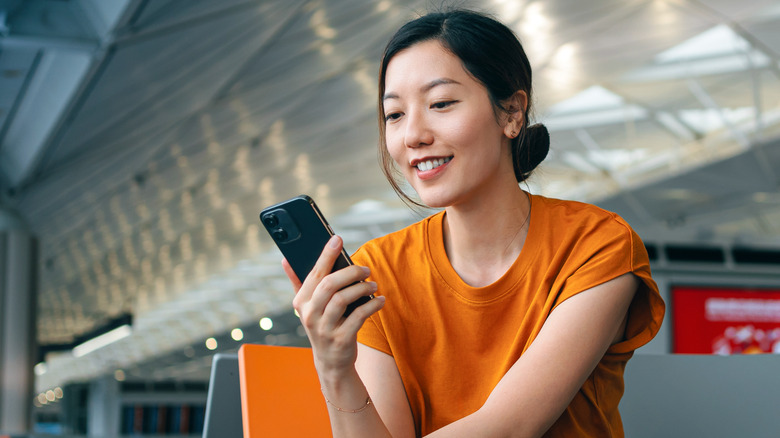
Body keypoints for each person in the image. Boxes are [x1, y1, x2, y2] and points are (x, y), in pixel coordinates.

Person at [283, 9, 665, 438]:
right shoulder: (377, 272)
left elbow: (508, 427)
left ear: (511, 114)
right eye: (395, 115)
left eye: (440, 103)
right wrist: (335, 368)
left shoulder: (595, 244)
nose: (413, 135)